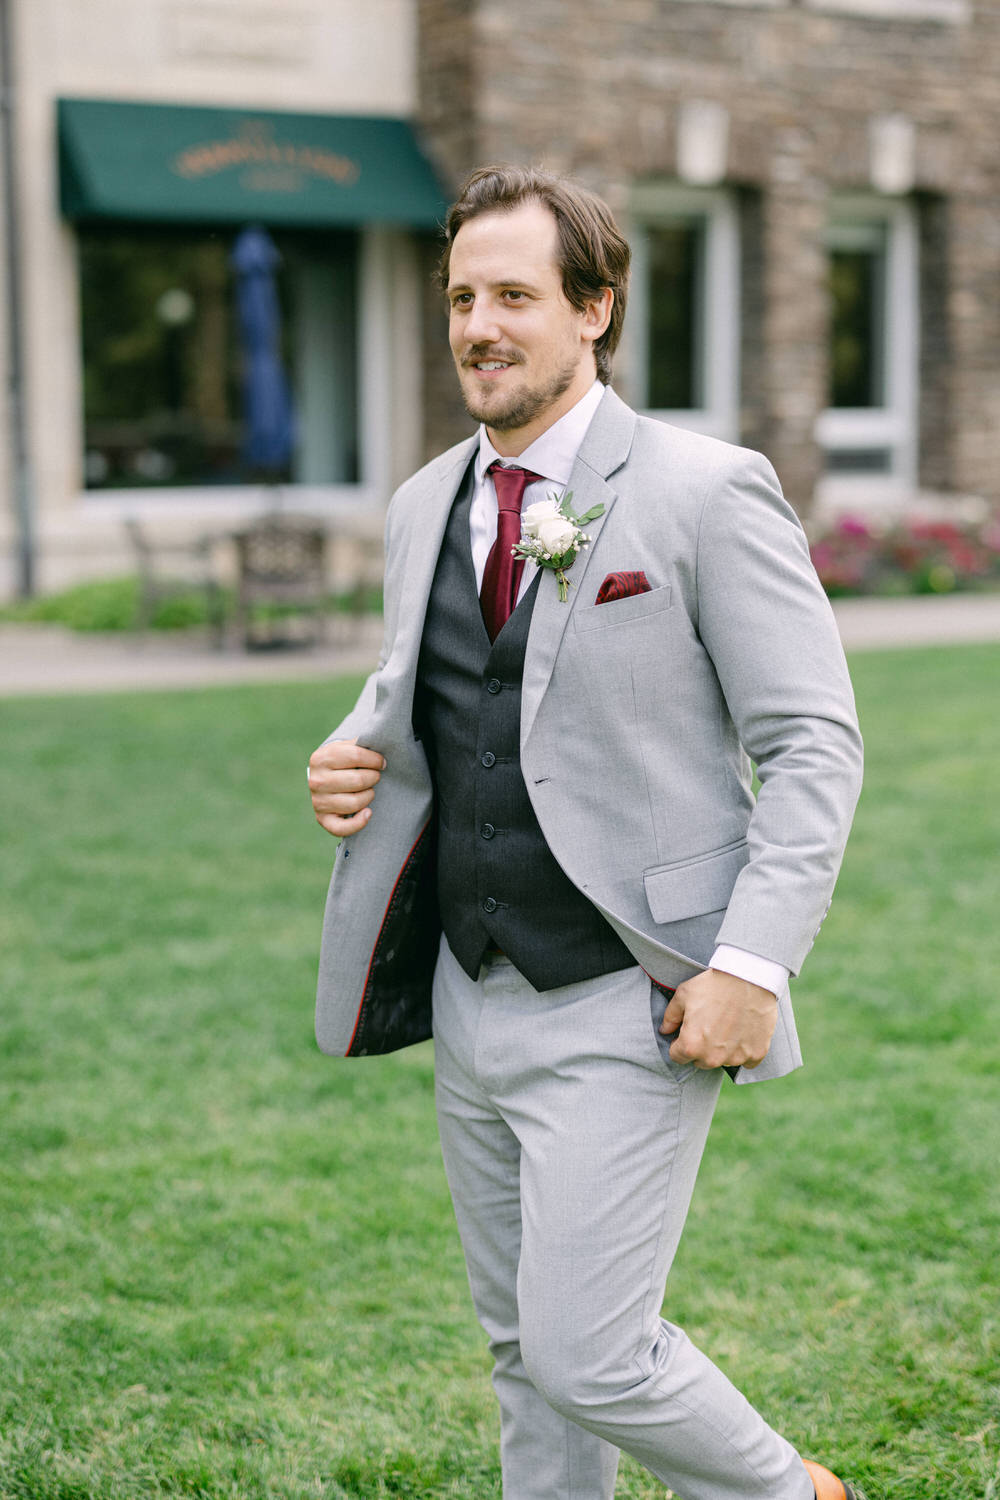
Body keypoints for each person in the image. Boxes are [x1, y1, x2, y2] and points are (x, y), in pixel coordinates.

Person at [307, 164, 864, 1500]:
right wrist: (351, 758)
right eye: (459, 298)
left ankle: (794, 1493)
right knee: (522, 1354)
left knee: (592, 1350)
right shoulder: (420, 503)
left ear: (594, 308)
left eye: (513, 295)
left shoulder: (703, 488)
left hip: (630, 991)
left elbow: (814, 745)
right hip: (469, 988)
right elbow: (439, 698)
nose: (478, 326)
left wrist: (752, 963)